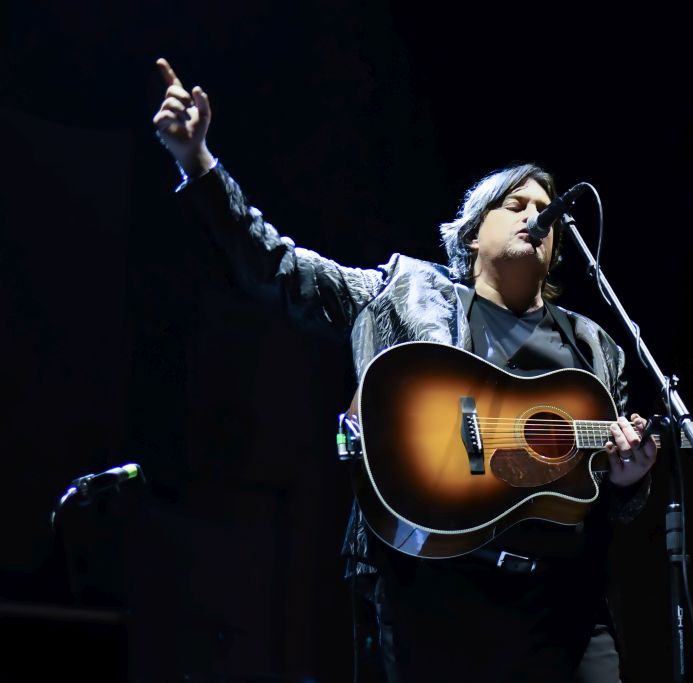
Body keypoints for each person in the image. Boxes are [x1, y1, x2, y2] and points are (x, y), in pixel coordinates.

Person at [152, 58, 658, 683]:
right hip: (433, 591)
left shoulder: (595, 349)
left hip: (564, 608)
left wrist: (630, 479)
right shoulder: (403, 294)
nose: (538, 215)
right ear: (472, 234)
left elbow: (607, 493)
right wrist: (198, 161)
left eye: (546, 209)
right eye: (517, 203)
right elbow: (276, 266)